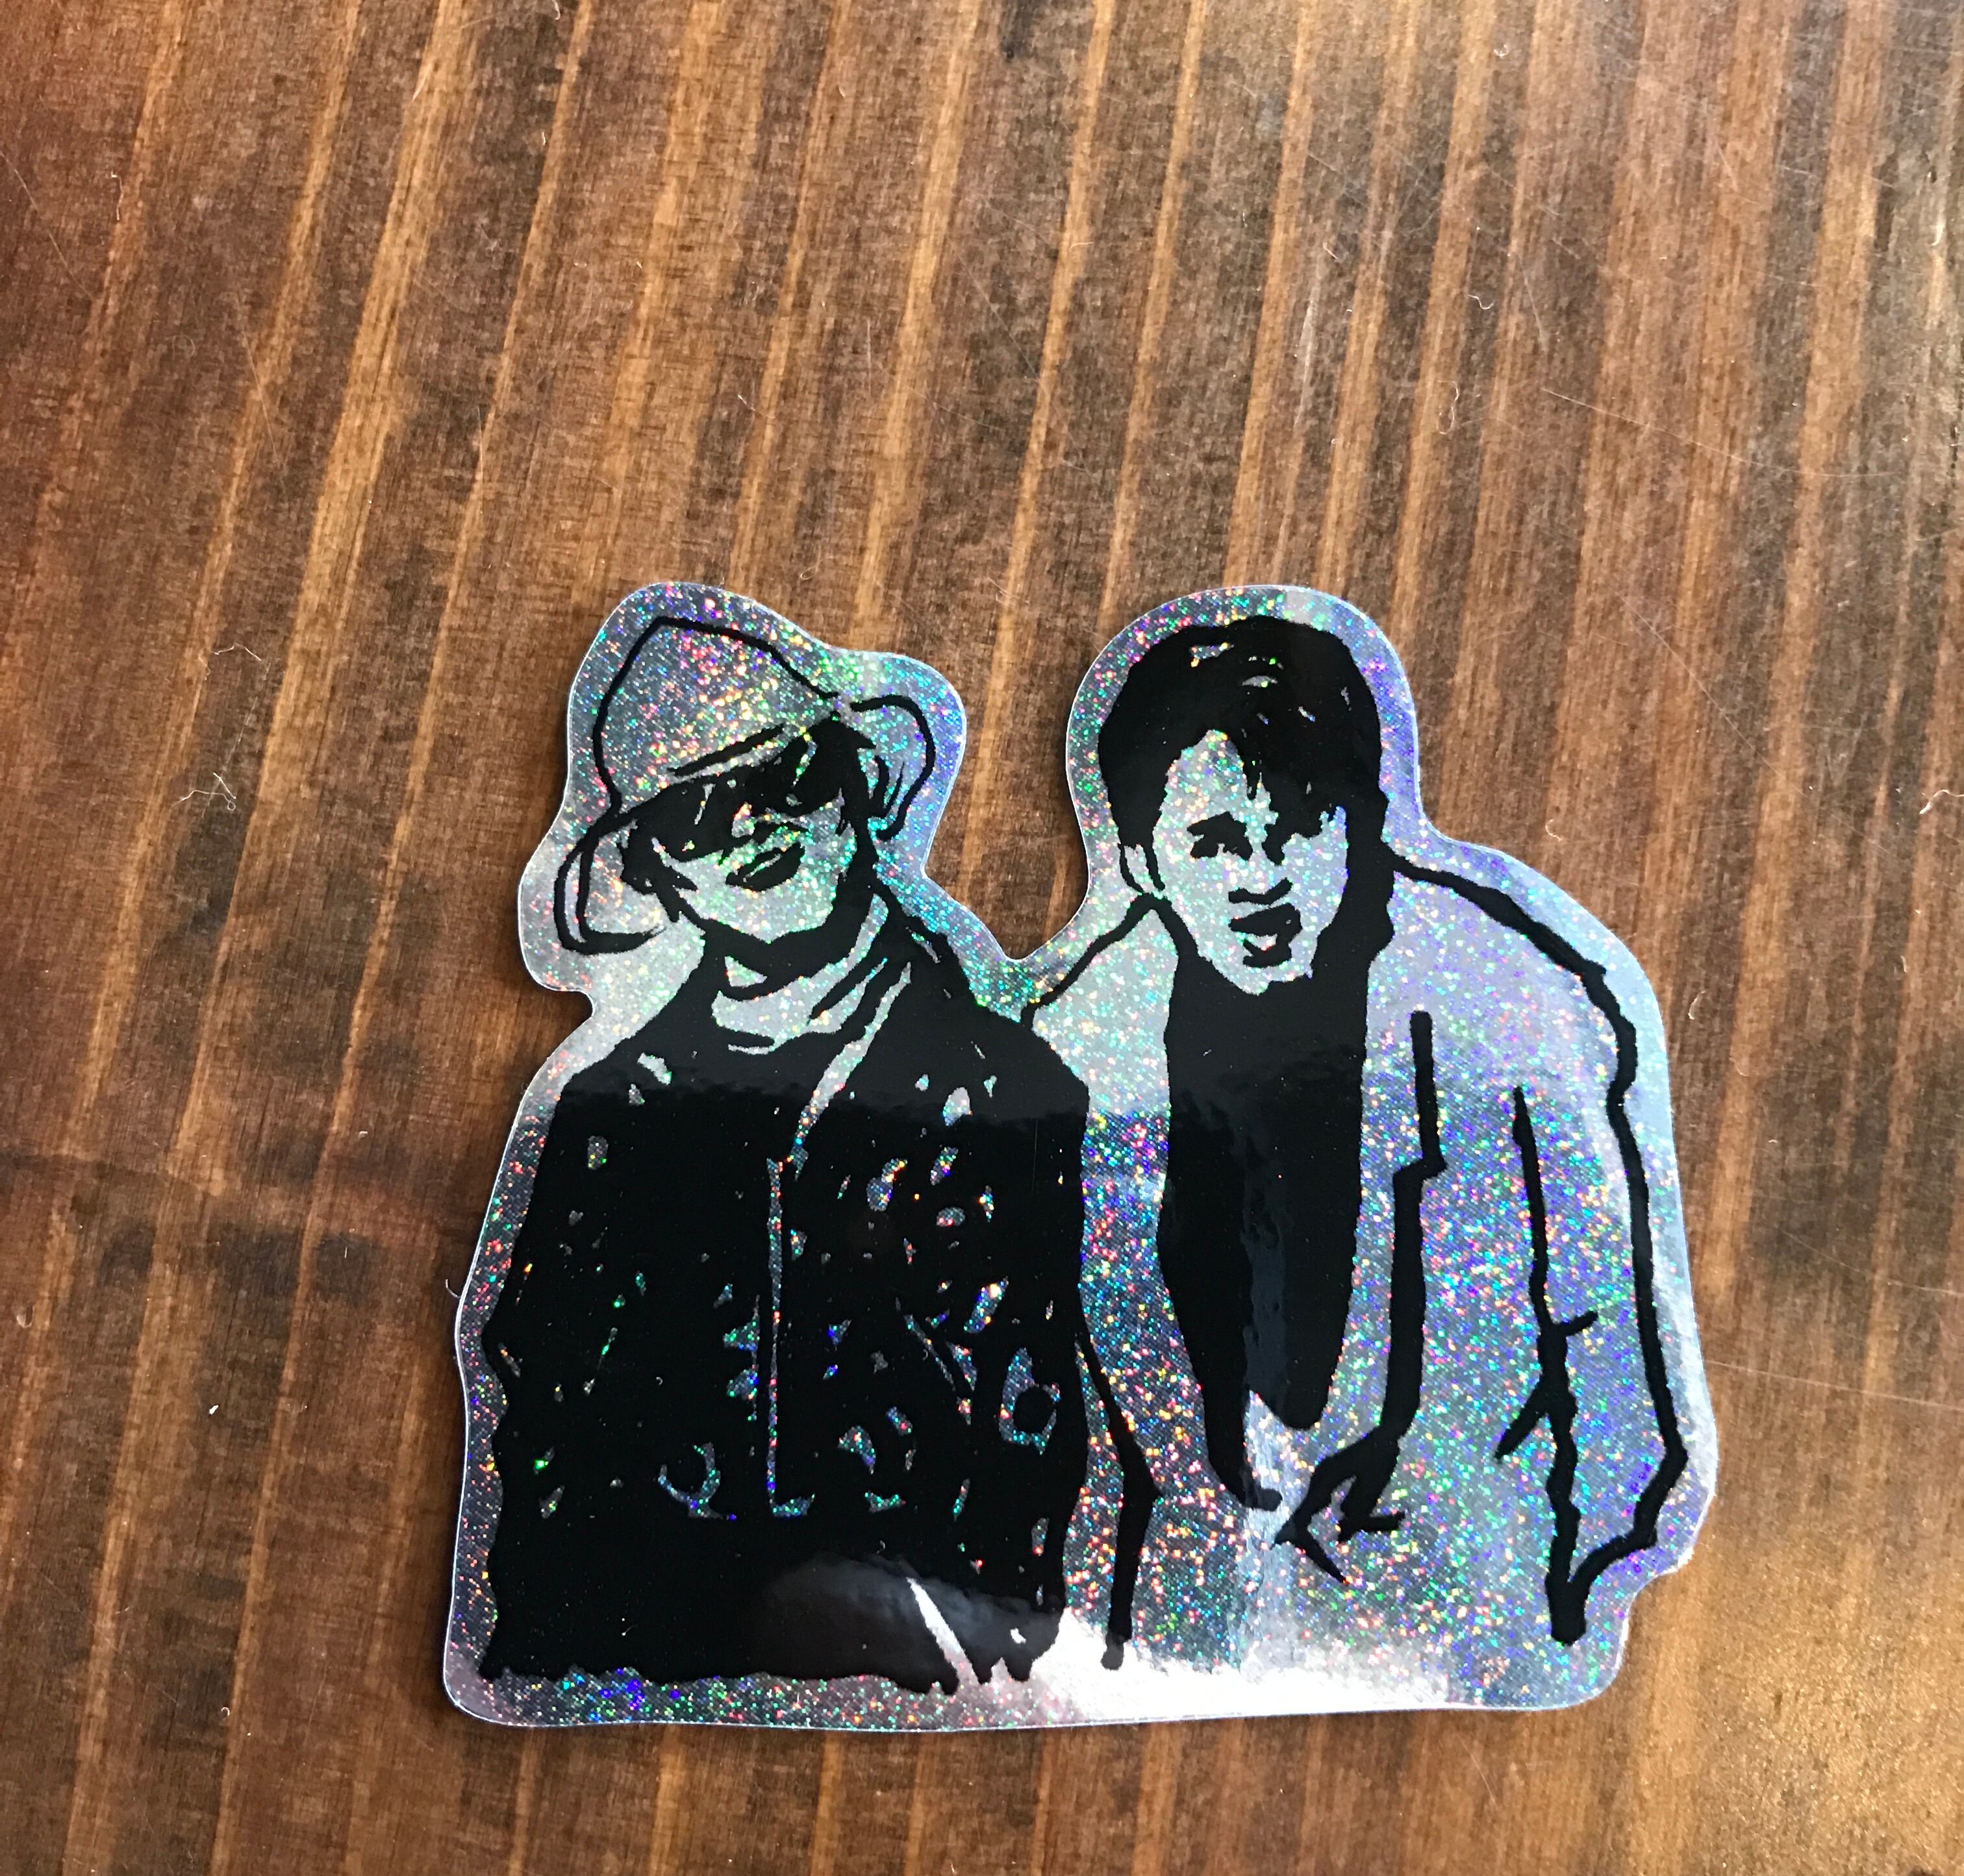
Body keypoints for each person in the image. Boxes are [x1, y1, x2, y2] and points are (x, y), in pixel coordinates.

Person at [1037, 602, 1701, 1697]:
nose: (1260, 874)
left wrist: (1573, 1595)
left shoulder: (1516, 1007)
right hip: (1168, 1658)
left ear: (1364, 819)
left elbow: (1614, 1352)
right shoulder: (1068, 1048)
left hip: (1469, 1633)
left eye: (1301, 825)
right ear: (1143, 861)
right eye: (1213, 842)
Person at [473, 603, 1090, 1695]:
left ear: (856, 787)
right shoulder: (609, 1114)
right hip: (634, 1653)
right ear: (654, 870)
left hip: (912, 1669)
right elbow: (542, 1400)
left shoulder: (1004, 1089)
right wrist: (543, 1639)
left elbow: (1029, 1417)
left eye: (788, 775)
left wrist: (991, 1658)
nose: (753, 825)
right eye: (696, 815)